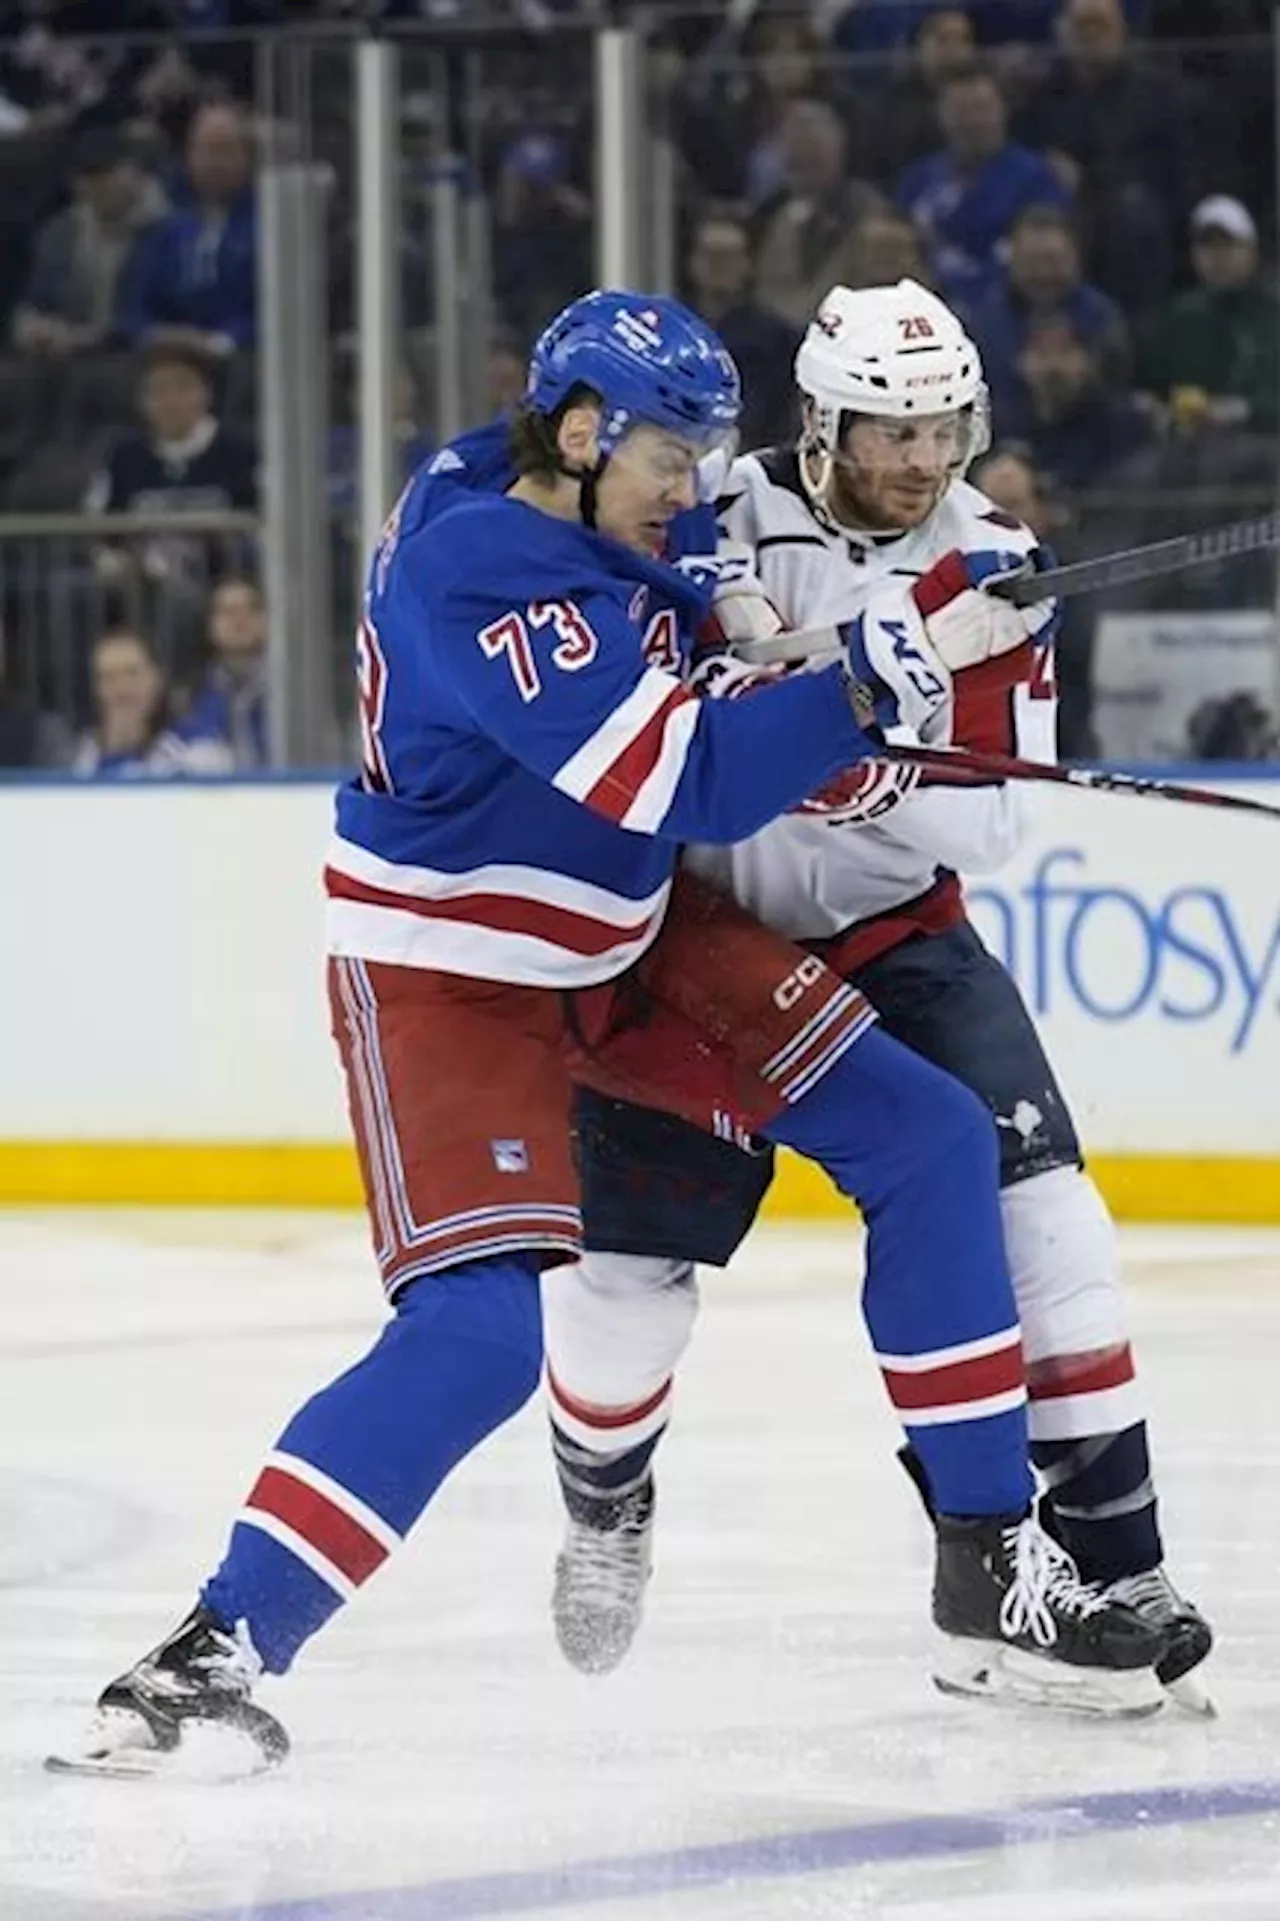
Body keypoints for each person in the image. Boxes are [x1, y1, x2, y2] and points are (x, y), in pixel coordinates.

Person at [52, 290, 1160, 1777]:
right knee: (482, 1337)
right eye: (668, 459)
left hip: (632, 937)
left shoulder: (541, 479)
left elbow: (678, 588)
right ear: (579, 436)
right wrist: (865, 674)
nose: (696, 491)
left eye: (710, 454)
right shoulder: (477, 582)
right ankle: (211, 1652)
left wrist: (734, 614)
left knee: (933, 1136)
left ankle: (988, 1571)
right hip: (460, 977)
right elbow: (685, 784)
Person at [545, 281, 1211, 1718]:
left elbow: (990, 833)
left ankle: (1110, 1559)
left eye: (942, 430)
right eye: (890, 431)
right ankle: (604, 1491)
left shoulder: (997, 562)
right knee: (627, 1293)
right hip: (691, 941)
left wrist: (871, 761)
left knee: (1055, 1222)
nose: (920, 461)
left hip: (889, 938)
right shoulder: (712, 504)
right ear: (822, 422)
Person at [71, 626, 233, 779]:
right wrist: (116, 750)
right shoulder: (87, 755)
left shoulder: (198, 748)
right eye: (109, 677)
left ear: (157, 679)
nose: (120, 688)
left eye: (132, 673)